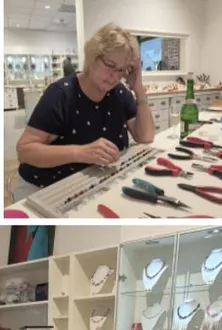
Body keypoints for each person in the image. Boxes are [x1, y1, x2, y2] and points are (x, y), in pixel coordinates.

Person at [14, 23, 154, 200]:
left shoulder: (118, 92)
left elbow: (146, 136)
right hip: (43, 188)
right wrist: (80, 153)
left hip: (88, 184)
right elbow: (24, 152)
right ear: (93, 57)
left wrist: (138, 88)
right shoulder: (61, 94)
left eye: (121, 70)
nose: (115, 76)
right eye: (110, 65)